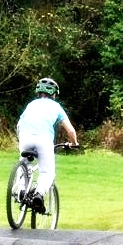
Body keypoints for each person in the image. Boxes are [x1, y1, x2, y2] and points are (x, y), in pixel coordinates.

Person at [16, 77, 78, 213]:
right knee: (48, 173)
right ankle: (39, 195)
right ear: (53, 94)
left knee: (24, 165)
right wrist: (74, 143)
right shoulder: (56, 107)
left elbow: (19, 124)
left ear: (39, 92)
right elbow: (71, 130)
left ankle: (21, 192)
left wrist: (20, 139)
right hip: (44, 140)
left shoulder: (31, 104)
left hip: (25, 138)